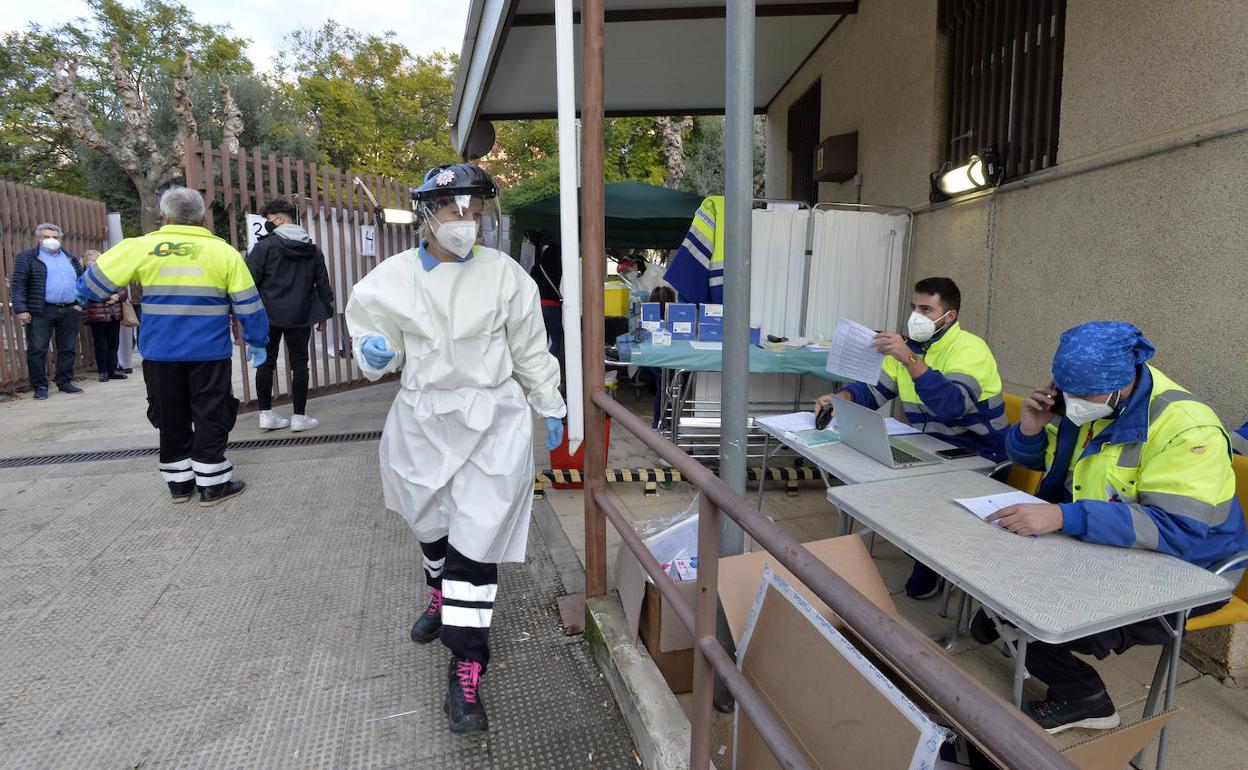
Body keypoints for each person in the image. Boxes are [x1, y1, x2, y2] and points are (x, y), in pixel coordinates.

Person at [345, 163, 565, 735]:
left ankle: (466, 667)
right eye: (452, 211)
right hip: (423, 420)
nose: (466, 223)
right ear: (426, 214)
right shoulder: (390, 281)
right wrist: (372, 352)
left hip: (492, 422)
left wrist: (551, 403)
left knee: (475, 543)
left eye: (476, 211)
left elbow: (531, 349)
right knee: (432, 525)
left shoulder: (506, 276)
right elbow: (378, 349)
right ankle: (438, 593)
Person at [976, 321, 1248, 734]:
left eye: (1084, 395)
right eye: (1066, 391)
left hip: (1192, 570)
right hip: (1115, 546)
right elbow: (1040, 462)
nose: (1073, 402)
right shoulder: (1088, 405)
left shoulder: (1189, 428)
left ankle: (1086, 700)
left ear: (1124, 381)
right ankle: (1005, 624)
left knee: (1032, 609)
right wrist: (1031, 427)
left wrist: (1066, 517)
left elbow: (1178, 530)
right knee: (993, 571)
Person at [814, 277, 1009, 599]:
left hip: (981, 454)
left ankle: (934, 561)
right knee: (877, 476)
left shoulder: (970, 349)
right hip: (933, 447)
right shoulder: (910, 349)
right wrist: (841, 398)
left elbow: (951, 406)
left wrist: (909, 359)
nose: (916, 316)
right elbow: (874, 391)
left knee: (913, 492)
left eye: (926, 309)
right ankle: (923, 549)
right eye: (914, 307)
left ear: (950, 316)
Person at [77, 187, 269, 506]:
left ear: (163, 217)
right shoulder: (225, 253)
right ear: (203, 217)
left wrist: (81, 293)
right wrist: (258, 339)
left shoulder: (140, 247)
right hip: (209, 353)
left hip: (160, 353)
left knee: (169, 415)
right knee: (211, 414)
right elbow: (248, 304)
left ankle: (180, 485)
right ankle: (212, 485)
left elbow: (92, 285)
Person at [246, 198, 334, 432]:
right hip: (300, 314)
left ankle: (266, 414)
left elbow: (249, 282)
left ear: (280, 219)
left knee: (265, 363)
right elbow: (322, 285)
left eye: (269, 220)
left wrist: (247, 316)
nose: (267, 225)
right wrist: (324, 314)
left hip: (268, 315)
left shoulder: (263, 247)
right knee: (300, 363)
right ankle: (299, 417)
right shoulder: (312, 250)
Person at [10, 223, 84, 399]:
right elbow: (18, 284)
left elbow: (82, 281)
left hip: (69, 309)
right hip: (41, 310)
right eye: (46, 237)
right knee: (37, 349)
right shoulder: (28, 257)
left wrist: (81, 304)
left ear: (60, 239)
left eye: (55, 237)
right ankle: (40, 386)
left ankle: (64, 382)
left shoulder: (69, 258)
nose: (51, 240)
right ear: (38, 239)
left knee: (67, 348)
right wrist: (21, 309)